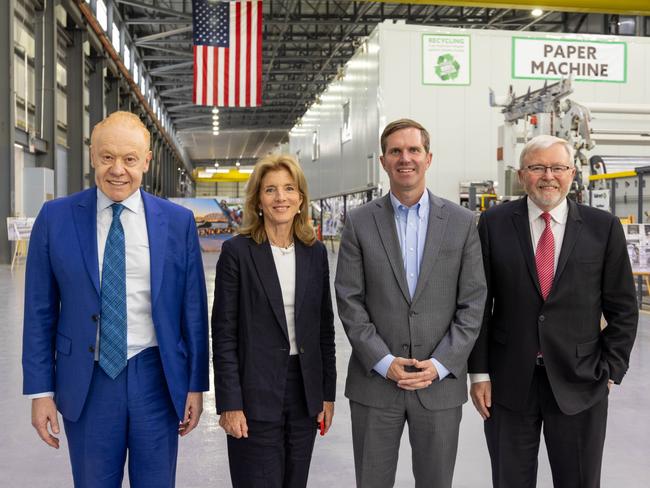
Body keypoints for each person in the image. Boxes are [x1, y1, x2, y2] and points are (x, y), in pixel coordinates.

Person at [22, 111, 209, 487]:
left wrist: (195, 385)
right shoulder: (55, 218)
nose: (117, 170)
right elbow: (39, 312)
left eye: (129, 159)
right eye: (107, 157)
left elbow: (193, 311)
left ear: (146, 161)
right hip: (88, 382)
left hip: (156, 377)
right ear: (93, 157)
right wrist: (41, 391)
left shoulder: (176, 222)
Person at [468, 134, 638, 488]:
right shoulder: (494, 223)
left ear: (572, 172)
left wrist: (610, 369)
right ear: (521, 174)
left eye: (557, 167)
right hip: (508, 381)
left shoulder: (602, 227)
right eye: (537, 167)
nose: (548, 176)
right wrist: (479, 373)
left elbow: (623, 307)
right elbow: (479, 304)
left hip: (582, 380)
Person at [335, 118, 486, 488]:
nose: (406, 158)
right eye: (396, 151)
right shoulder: (359, 223)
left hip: (439, 385)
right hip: (375, 383)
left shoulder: (463, 222)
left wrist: (439, 365)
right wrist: (384, 362)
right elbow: (349, 300)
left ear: (428, 158)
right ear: (384, 161)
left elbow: (473, 302)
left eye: (414, 150)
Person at [212, 154, 336, 488]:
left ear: (300, 199)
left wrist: (326, 394)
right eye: (270, 190)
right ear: (258, 201)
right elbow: (223, 334)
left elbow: (325, 329)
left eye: (288, 189)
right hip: (254, 393)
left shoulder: (315, 253)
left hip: (304, 393)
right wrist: (230, 403)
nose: (280, 197)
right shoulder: (237, 252)